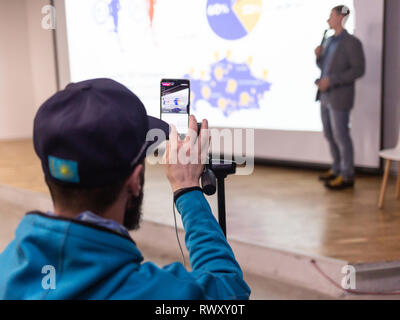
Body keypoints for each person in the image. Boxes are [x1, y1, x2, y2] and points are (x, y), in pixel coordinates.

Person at [0, 78, 250, 300]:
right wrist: (187, 189)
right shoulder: (153, 292)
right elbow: (228, 288)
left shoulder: (6, 266)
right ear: (134, 179)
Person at [315, 5, 365, 190]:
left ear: (340, 17)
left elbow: (358, 70)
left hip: (340, 96)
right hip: (325, 96)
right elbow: (324, 66)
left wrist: (332, 81)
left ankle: (347, 175)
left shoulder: (351, 43)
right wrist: (318, 57)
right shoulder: (329, 41)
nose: (328, 19)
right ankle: (336, 169)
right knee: (329, 134)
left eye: (331, 15)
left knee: (341, 135)